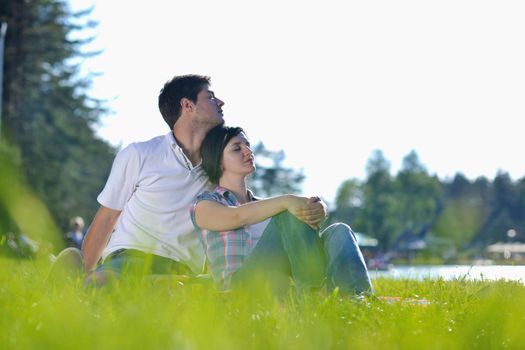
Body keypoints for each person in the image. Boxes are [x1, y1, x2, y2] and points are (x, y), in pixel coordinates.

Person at [50, 74, 327, 285]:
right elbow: (107, 219)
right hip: (130, 260)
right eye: (210, 97)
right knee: (108, 285)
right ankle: (77, 285)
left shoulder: (217, 169)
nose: (220, 102)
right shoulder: (140, 154)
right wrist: (87, 273)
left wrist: (302, 205)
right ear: (187, 105)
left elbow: (243, 208)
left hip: (183, 276)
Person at [190, 125, 373, 295]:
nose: (248, 151)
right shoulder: (205, 204)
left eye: (247, 144)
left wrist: (318, 208)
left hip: (278, 285)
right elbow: (237, 216)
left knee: (339, 231)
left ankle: (357, 299)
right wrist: (287, 201)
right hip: (239, 290)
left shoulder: (268, 208)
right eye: (237, 148)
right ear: (218, 160)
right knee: (287, 214)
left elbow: (295, 228)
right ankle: (312, 296)